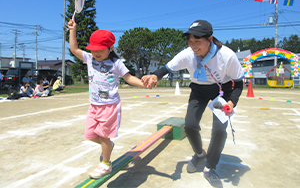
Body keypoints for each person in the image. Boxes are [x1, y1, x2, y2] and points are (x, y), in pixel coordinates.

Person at [141, 20, 244, 188]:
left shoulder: (227, 56)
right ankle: (199, 153)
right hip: (199, 90)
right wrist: (154, 76)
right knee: (189, 125)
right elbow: (166, 68)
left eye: (198, 41)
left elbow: (239, 83)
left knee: (219, 130)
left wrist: (232, 102)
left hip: (221, 91)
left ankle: (210, 167)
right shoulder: (188, 54)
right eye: (190, 41)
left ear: (210, 39)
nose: (193, 45)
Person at [68, 19, 146, 179]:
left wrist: (144, 84)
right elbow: (74, 48)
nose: (96, 53)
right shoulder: (89, 58)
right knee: (89, 134)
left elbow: (129, 78)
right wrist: (72, 30)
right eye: (93, 49)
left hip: (110, 106)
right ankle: (108, 146)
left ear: (110, 48)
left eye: (100, 50)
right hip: (94, 106)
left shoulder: (116, 63)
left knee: (104, 136)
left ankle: (106, 163)